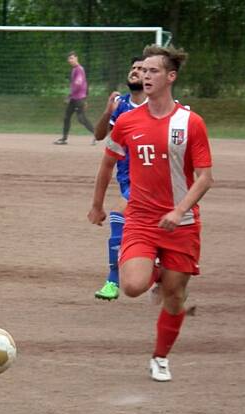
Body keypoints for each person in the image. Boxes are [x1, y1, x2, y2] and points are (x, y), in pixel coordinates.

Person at [88, 45, 214, 382]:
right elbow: (107, 163)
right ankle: (155, 271)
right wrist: (97, 204)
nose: (145, 75)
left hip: (182, 224)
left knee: (174, 297)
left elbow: (205, 178)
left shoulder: (191, 122)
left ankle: (160, 358)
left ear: (170, 77)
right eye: (143, 70)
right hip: (141, 220)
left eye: (153, 71)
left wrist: (179, 210)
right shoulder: (127, 121)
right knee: (131, 286)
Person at [93, 56, 147, 301]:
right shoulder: (121, 106)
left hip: (150, 179)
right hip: (127, 179)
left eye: (141, 69)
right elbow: (100, 135)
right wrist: (107, 112)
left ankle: (113, 281)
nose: (135, 71)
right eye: (133, 68)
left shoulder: (160, 106)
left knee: (119, 213)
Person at [54, 51, 95, 145]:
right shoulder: (74, 70)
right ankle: (64, 139)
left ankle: (96, 134)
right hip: (74, 98)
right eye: (69, 59)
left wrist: (71, 96)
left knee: (81, 118)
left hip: (78, 99)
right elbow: (84, 84)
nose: (70, 60)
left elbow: (78, 84)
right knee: (66, 117)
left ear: (76, 58)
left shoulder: (79, 69)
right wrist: (71, 96)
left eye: (72, 58)